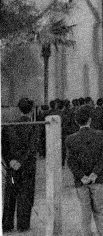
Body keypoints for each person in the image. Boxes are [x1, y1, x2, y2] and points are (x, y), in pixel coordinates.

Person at [64, 105, 103, 236]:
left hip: (81, 182)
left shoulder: (70, 139)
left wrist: (81, 176)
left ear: (76, 121)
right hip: (98, 179)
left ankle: (87, 234)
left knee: (85, 210)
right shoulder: (101, 135)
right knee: (101, 209)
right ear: (90, 120)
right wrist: (95, 173)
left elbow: (70, 161)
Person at [3, 98, 39, 232]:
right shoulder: (34, 125)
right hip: (27, 169)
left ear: (18, 109)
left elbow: (3, 146)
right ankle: (23, 225)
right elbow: (32, 147)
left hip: (12, 170)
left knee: (10, 194)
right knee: (25, 194)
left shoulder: (9, 125)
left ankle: (7, 225)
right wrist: (21, 162)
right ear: (31, 110)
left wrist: (10, 161)